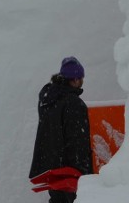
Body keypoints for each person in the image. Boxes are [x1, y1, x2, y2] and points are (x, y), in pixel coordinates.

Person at [29, 56, 92, 203]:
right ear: (75, 79)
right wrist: (85, 173)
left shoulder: (48, 99)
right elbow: (77, 142)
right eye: (81, 78)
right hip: (70, 171)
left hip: (52, 169)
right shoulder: (74, 103)